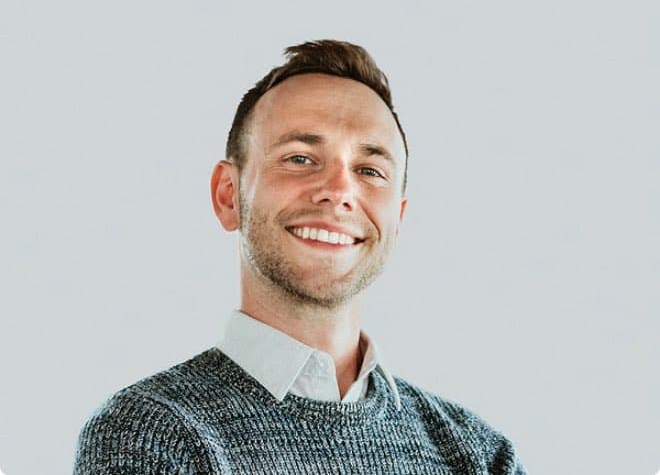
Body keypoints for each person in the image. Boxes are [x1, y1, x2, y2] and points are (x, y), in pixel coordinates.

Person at [73, 40, 526, 474]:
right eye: (300, 159)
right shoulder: (151, 434)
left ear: (398, 220)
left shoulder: (479, 454)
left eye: (370, 170)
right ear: (228, 196)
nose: (339, 191)